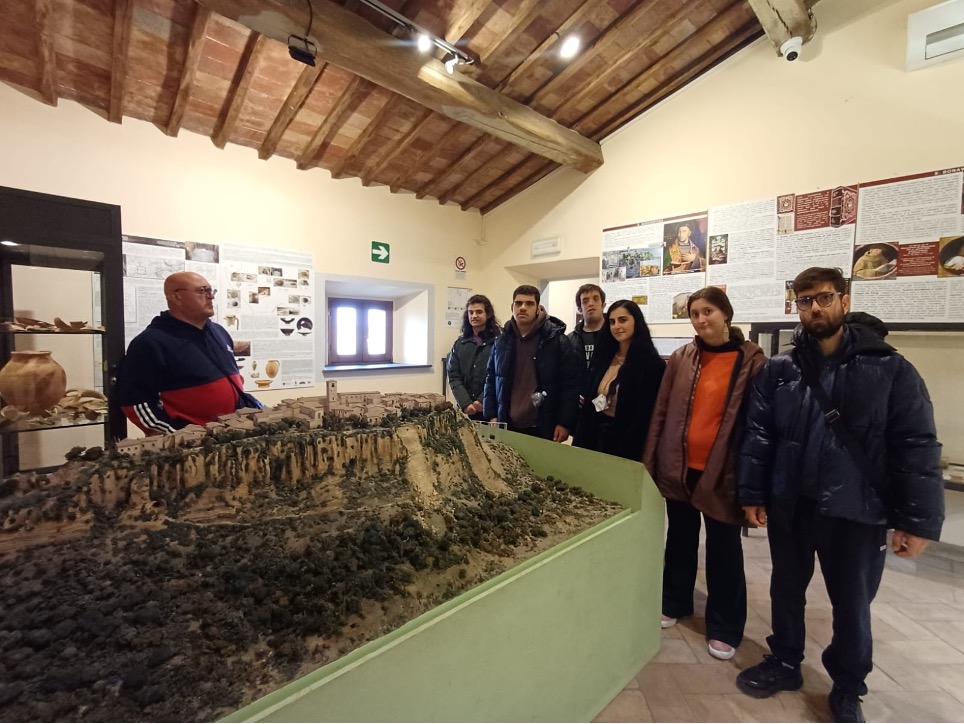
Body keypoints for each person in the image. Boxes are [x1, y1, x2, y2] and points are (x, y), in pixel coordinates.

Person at [735, 267, 944, 723]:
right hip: (793, 502)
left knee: (852, 604)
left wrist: (917, 521)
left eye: (823, 298)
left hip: (855, 511)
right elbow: (759, 436)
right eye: (805, 300)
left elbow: (916, 446)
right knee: (785, 589)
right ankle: (786, 660)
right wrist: (752, 493)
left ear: (844, 301)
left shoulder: (890, 369)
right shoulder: (780, 369)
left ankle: (848, 685)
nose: (814, 308)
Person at [643, 287, 765, 662]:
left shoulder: (753, 362)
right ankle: (676, 602)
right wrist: (650, 461)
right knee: (679, 539)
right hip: (679, 467)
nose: (700, 319)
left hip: (724, 473)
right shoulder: (682, 357)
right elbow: (661, 411)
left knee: (724, 549)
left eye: (707, 311)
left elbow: (760, 424)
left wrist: (754, 484)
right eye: (694, 313)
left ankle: (725, 625)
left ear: (726, 314)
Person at [116, 271, 261, 434]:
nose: (210, 297)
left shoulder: (219, 332)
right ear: (175, 297)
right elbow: (135, 404)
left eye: (210, 291)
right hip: (196, 443)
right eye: (201, 291)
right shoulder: (150, 343)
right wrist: (179, 437)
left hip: (233, 432)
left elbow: (233, 380)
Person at [483, 285, 581, 441]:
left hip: (542, 425)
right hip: (507, 424)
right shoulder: (501, 341)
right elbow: (491, 378)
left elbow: (569, 385)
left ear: (538, 308)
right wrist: (491, 415)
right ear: (512, 307)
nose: (522, 308)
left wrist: (564, 423)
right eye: (518, 303)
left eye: (529, 303)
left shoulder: (557, 341)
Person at [572, 300, 664, 460]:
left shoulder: (652, 365)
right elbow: (594, 399)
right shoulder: (604, 356)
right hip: (594, 436)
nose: (616, 326)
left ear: (636, 321)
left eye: (623, 320)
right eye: (612, 322)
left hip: (625, 444)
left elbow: (644, 416)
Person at [447, 294, 501, 420]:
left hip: (493, 409)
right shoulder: (460, 344)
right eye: (471, 312)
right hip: (467, 410)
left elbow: (500, 375)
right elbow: (454, 376)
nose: (474, 316)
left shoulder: (500, 341)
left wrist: (482, 400)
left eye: (478, 312)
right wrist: (465, 403)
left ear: (488, 314)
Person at [568, 284, 606, 368]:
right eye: (585, 301)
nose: (591, 304)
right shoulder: (569, 340)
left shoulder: (614, 335)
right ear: (580, 309)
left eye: (595, 299)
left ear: (603, 305)